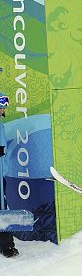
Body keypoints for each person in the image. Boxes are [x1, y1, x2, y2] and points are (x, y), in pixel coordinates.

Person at [0, 92, 20, 258]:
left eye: (4, 105)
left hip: (1, 174)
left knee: (2, 208)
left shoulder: (1, 125)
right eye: (1, 105)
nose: (2, 109)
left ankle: (7, 245)